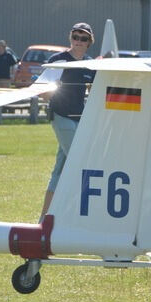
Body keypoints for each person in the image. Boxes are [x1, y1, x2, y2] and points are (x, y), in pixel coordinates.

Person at [41, 22, 96, 215]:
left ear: (89, 42)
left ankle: (45, 219)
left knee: (60, 169)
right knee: (79, 161)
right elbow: (42, 89)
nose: (79, 42)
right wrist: (48, 90)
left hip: (79, 120)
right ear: (70, 38)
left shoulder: (90, 64)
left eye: (83, 38)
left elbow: (99, 89)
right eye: (76, 37)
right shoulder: (59, 60)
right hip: (61, 117)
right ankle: (73, 215)